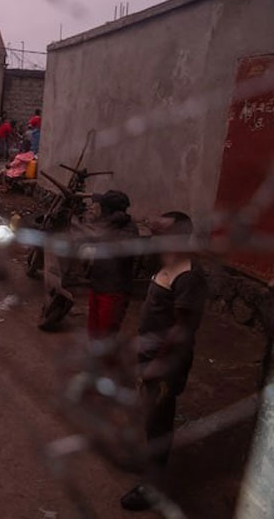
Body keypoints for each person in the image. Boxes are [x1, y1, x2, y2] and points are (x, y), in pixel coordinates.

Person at [120, 212, 207, 512]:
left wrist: (157, 365)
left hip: (167, 363)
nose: (153, 240)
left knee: (159, 423)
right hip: (151, 357)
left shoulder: (189, 275)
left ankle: (153, 487)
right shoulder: (169, 264)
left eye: (160, 234)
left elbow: (181, 330)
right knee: (148, 414)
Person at [84, 191, 139, 340]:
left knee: (105, 335)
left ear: (108, 210)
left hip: (114, 291)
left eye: (100, 207)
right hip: (98, 285)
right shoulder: (109, 224)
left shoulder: (128, 229)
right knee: (94, 332)